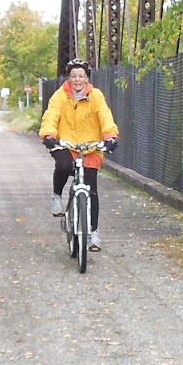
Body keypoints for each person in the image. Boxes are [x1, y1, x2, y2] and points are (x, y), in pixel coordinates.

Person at [40, 59, 119, 249]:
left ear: (87, 79)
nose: (77, 79)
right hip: (66, 144)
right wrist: (49, 135)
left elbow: (105, 116)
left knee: (91, 190)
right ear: (68, 78)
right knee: (64, 165)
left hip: (90, 147)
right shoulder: (60, 96)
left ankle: (93, 233)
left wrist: (110, 136)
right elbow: (51, 116)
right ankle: (57, 196)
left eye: (81, 76)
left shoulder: (96, 96)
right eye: (73, 76)